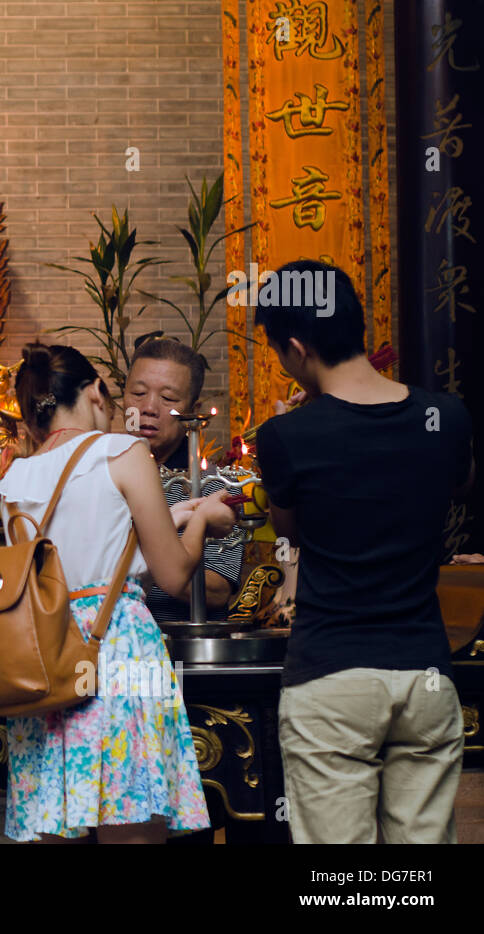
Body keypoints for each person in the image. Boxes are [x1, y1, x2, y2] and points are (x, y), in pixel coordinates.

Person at [253, 260, 475, 844]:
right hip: (425, 674)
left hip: (332, 678)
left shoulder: (287, 437)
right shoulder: (445, 418)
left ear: (297, 348)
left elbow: (291, 532)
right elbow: (452, 487)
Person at [0, 343, 235, 843]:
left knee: (60, 827)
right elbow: (173, 576)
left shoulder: (14, 478)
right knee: (130, 829)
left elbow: (66, 566)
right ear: (94, 391)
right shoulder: (122, 452)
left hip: (49, 656)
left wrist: (167, 522)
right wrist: (203, 522)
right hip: (119, 651)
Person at [122, 338, 242, 620]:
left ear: (192, 409)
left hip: (182, 648)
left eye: (168, 399)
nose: (149, 408)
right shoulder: (96, 476)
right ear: (122, 397)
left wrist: (133, 564)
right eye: (138, 393)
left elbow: (217, 591)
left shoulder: (215, 487)